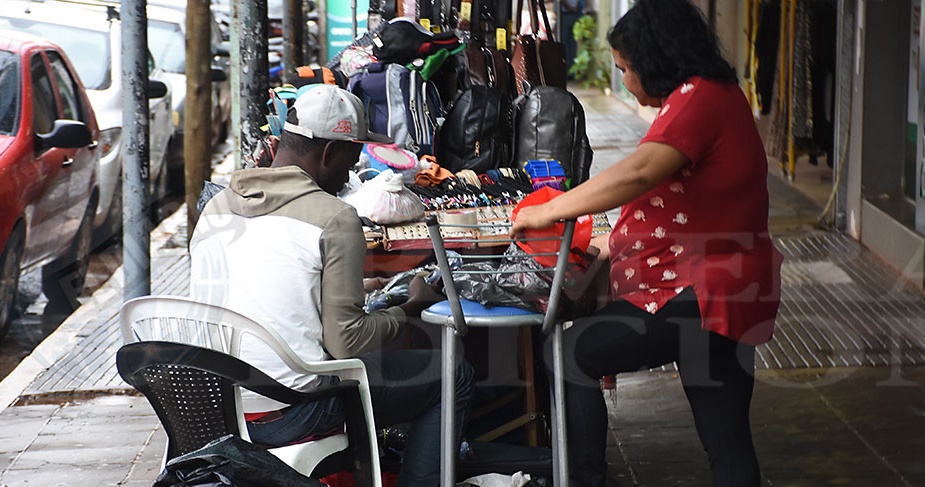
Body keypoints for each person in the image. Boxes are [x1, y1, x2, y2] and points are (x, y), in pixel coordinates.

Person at [510, 1, 783, 485]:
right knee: (727, 438)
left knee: (571, 353)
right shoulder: (714, 94)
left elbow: (637, 175)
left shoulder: (699, 99)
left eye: (625, 69)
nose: (627, 82)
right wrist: (608, 250)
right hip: (729, 292)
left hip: (700, 292)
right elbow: (683, 204)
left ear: (654, 58)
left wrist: (547, 209)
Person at [189, 84, 474, 487]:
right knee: (452, 373)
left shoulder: (216, 208)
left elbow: (263, 289)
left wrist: (357, 286)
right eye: (350, 161)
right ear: (328, 154)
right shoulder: (334, 217)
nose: (349, 176)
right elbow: (347, 343)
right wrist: (407, 308)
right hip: (294, 407)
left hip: (214, 408)